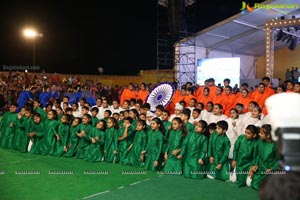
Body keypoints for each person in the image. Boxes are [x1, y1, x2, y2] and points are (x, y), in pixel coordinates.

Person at [248, 124, 279, 190]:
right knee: (253, 184)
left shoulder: (275, 146)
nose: (259, 134)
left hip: (269, 170)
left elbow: (278, 160)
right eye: (259, 132)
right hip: (260, 168)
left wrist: (272, 169)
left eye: (261, 133)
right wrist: (255, 165)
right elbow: (257, 155)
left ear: (268, 135)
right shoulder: (260, 141)